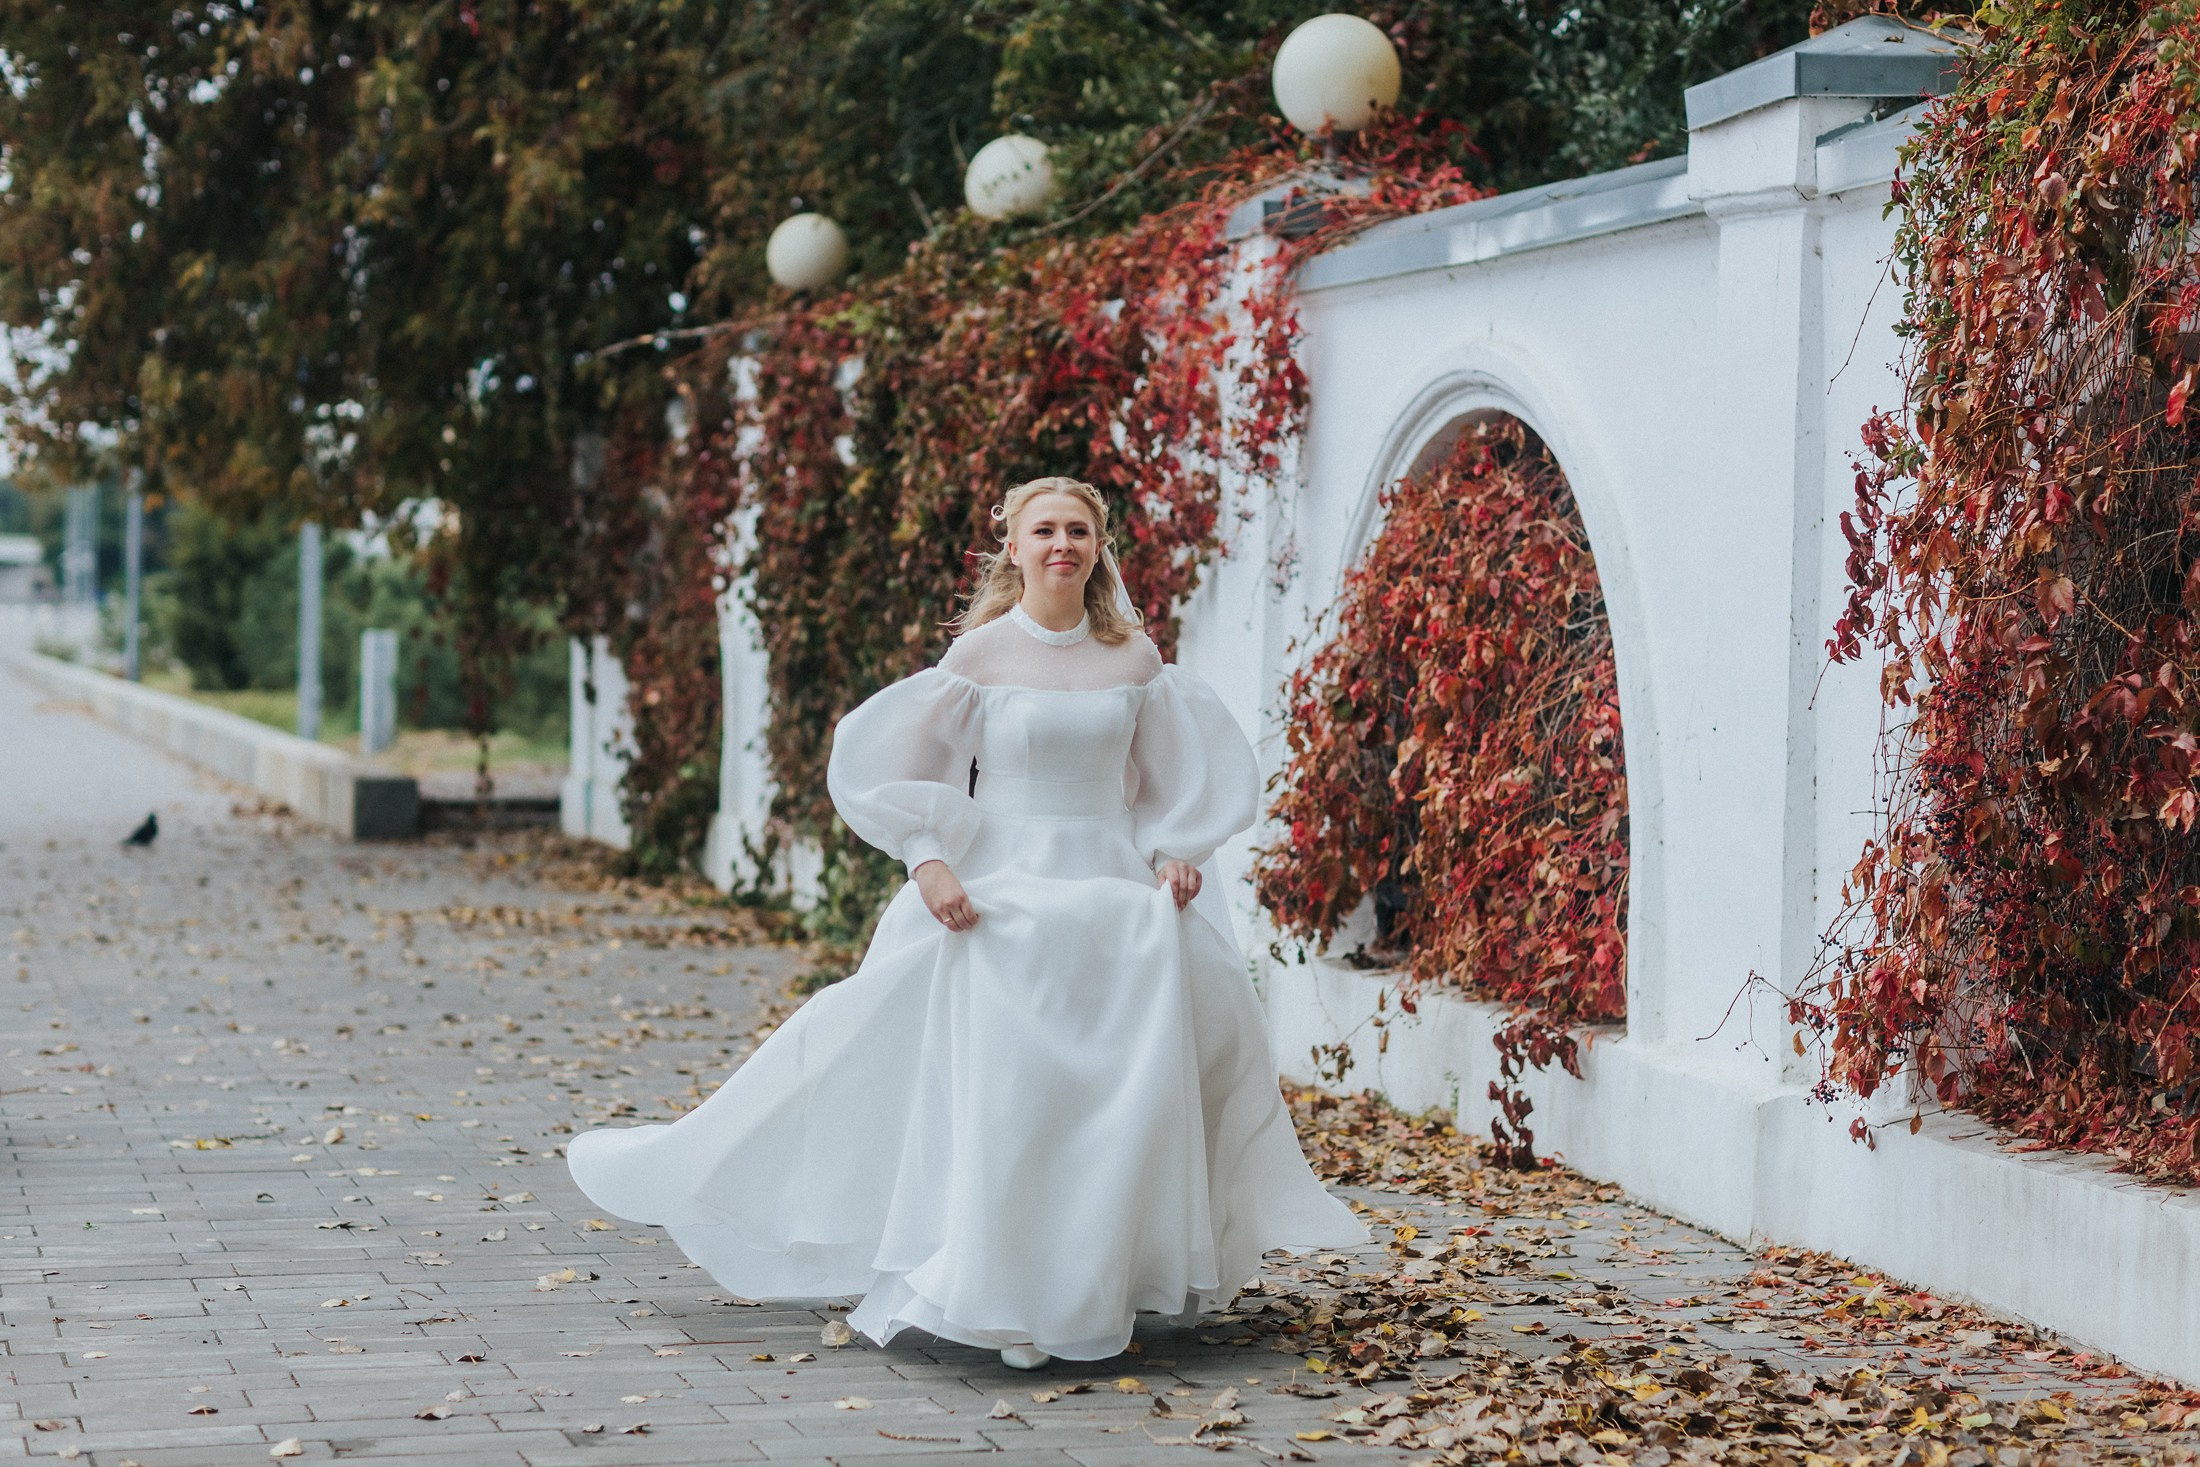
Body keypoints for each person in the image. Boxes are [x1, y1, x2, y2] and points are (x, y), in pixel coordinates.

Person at [567, 475, 1366, 1371]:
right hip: (1000, 889)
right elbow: (895, 770)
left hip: (1109, 896)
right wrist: (929, 860)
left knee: (1118, 1095)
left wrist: (1175, 851)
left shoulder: (1137, 661)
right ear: (1014, 547)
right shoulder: (978, 660)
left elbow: (1170, 783)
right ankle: (997, 1284)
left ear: (1099, 547)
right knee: (1005, 1092)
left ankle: (1095, 1279)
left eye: (1078, 531)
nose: (1062, 545)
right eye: (1044, 531)